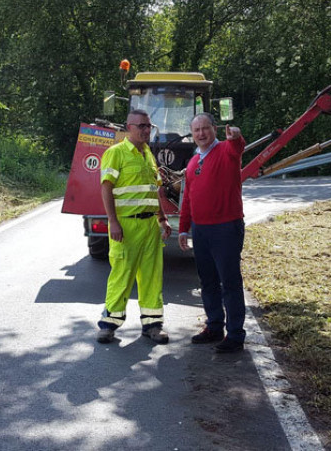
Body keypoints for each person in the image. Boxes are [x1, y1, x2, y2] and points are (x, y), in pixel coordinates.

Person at [97, 109, 172, 344]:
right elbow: (106, 188)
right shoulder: (115, 153)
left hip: (149, 226)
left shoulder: (148, 155)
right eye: (141, 126)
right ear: (128, 127)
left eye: (148, 126)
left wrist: (162, 218)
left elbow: (154, 192)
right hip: (126, 227)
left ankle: (153, 325)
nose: (146, 130)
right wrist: (113, 221)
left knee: (151, 277)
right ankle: (109, 325)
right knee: (121, 274)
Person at [178, 113, 247, 353]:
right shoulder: (193, 161)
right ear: (192, 134)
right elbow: (187, 198)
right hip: (201, 230)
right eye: (196, 130)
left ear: (214, 129)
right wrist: (183, 228)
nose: (200, 134)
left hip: (226, 227)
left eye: (204, 129)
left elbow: (237, 146)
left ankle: (236, 335)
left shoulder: (227, 151)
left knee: (229, 282)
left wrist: (236, 137)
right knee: (207, 282)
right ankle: (214, 326)